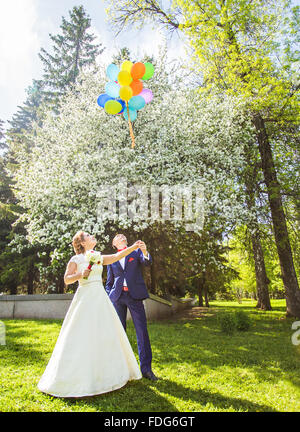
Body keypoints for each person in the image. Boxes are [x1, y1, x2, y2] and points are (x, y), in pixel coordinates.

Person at [37, 231, 144, 398]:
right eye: (88, 235)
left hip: (100, 299)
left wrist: (133, 247)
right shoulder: (76, 260)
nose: (92, 236)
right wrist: (80, 274)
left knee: (105, 334)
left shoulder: (98, 256)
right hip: (85, 298)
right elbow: (67, 279)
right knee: (83, 333)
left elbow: (116, 257)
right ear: (82, 243)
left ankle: (108, 375)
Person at [105, 234, 158, 381]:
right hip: (118, 298)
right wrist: (109, 296)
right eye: (117, 236)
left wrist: (145, 251)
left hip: (134, 297)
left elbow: (147, 263)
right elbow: (109, 282)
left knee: (142, 332)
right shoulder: (112, 259)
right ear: (114, 243)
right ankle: (119, 368)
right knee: (119, 333)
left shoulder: (135, 252)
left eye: (123, 236)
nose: (121, 236)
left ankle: (146, 370)